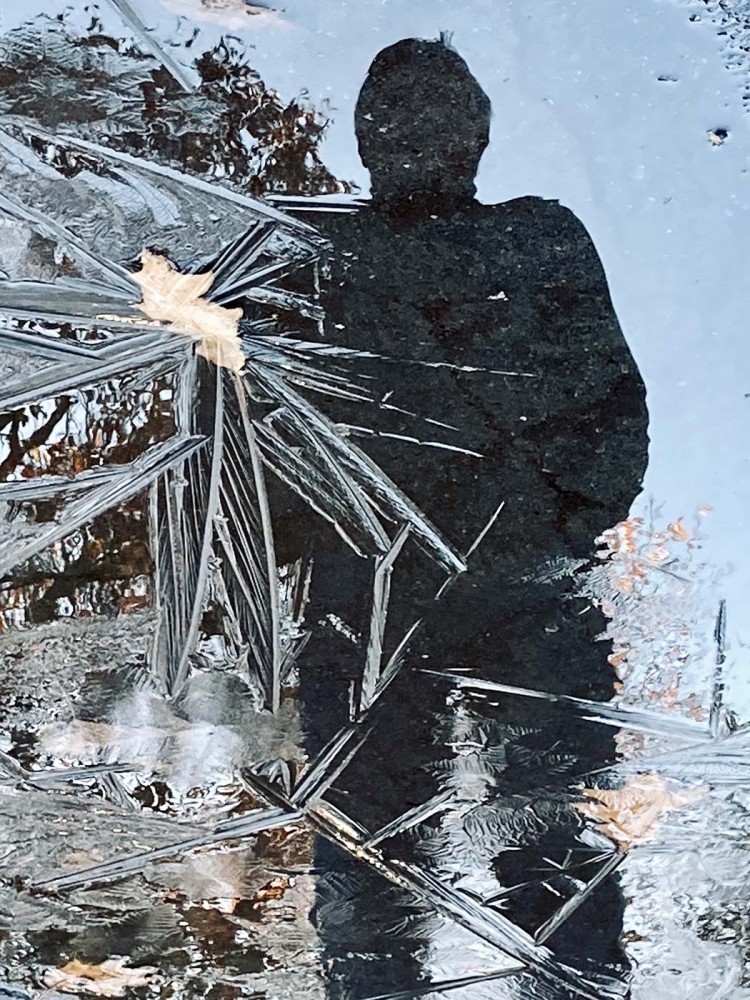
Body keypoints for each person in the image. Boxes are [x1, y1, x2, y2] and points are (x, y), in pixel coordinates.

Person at [273, 37, 649, 997]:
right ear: (366, 138)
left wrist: (546, 534)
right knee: (375, 879)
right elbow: (256, 435)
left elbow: (613, 412)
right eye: (398, 117)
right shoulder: (306, 251)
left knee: (543, 863)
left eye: (437, 116)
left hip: (485, 592)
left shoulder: (530, 235)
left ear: (475, 133)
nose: (417, 136)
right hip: (385, 597)